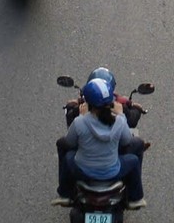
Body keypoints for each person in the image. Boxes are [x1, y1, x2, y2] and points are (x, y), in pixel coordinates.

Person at [55, 77, 146, 207]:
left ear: (88, 103)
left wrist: (82, 116)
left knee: (68, 155)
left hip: (82, 171)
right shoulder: (119, 121)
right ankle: (135, 198)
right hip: (112, 172)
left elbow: (70, 143)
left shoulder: (80, 122)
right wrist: (121, 115)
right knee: (133, 159)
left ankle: (64, 194)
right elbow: (127, 141)